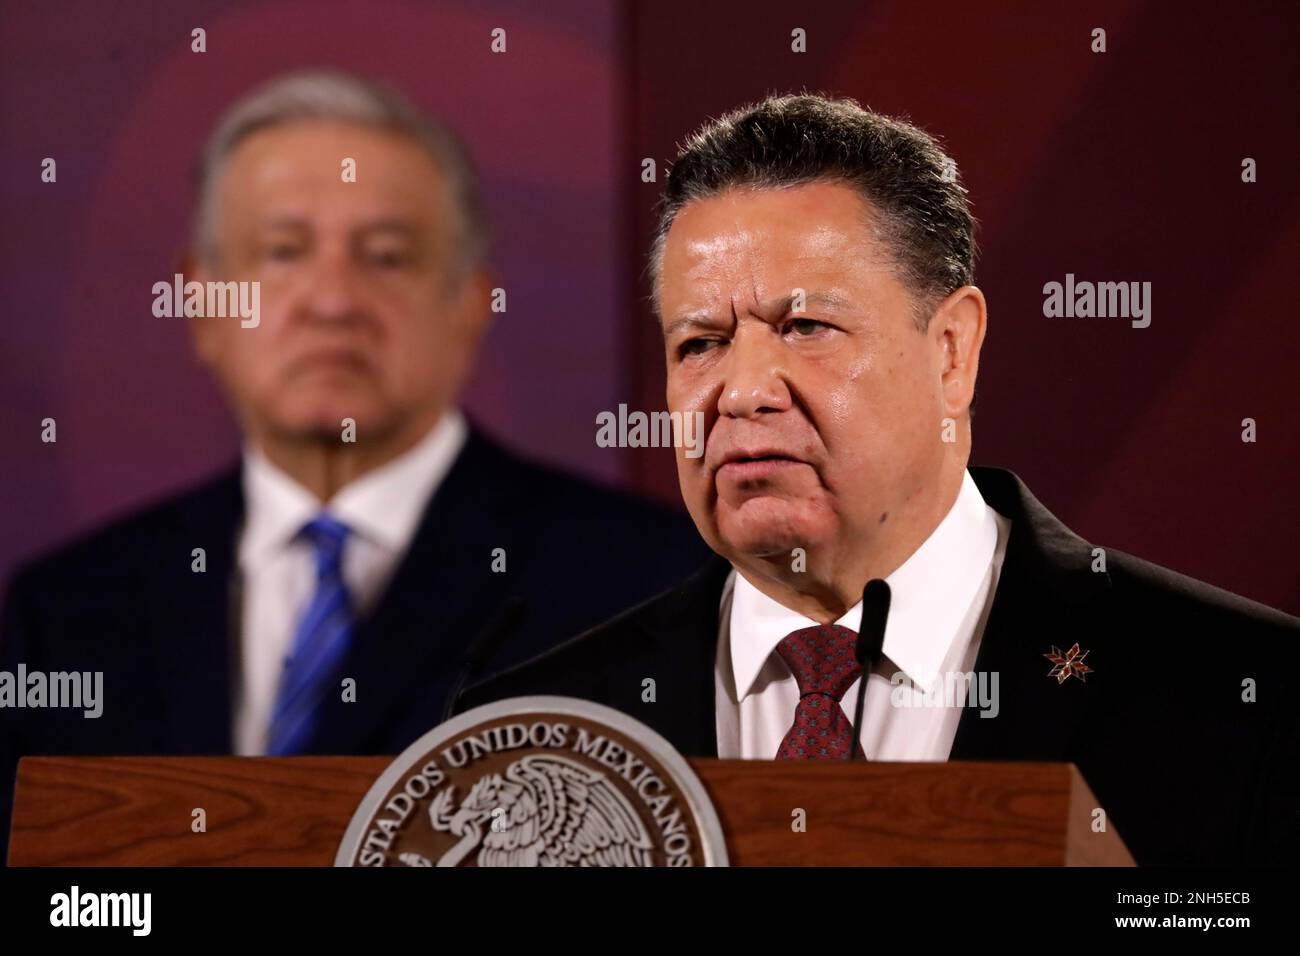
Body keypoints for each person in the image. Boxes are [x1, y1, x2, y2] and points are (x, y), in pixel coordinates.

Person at [457, 93, 1299, 866]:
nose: (743, 392)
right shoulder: (535, 728)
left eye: (807, 325)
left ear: (952, 352)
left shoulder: (1247, 694)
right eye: (700, 343)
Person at [0, 71, 707, 855]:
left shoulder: (645, 585)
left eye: (386, 256)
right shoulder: (69, 612)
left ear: (470, 304)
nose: (332, 300)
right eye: (282, 251)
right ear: (201, 302)